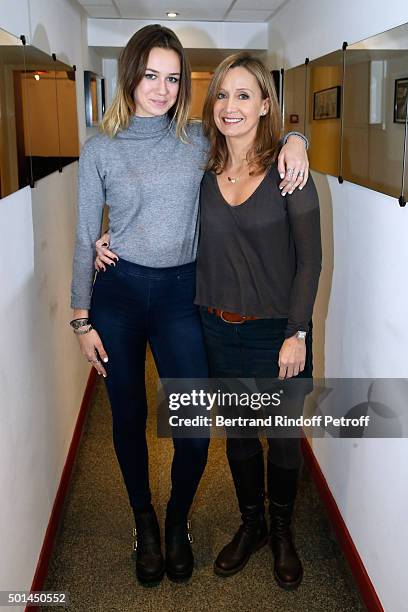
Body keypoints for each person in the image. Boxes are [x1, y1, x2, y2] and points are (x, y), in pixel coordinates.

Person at [73, 25, 309, 585]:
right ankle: (145, 525)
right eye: (151, 76)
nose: (161, 88)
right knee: (127, 417)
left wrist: (299, 140)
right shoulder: (99, 148)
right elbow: (85, 235)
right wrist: (80, 316)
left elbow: (254, 136)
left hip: (184, 295)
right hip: (120, 296)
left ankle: (177, 520)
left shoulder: (199, 137)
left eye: (173, 78)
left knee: (194, 425)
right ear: (130, 75)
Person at [194, 52, 322, 590]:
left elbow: (310, 260)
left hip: (277, 332)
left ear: (266, 103)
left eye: (244, 95)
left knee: (284, 439)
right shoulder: (199, 169)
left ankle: (283, 532)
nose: (231, 106)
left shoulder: (290, 170)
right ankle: (253, 528)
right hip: (219, 329)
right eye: (222, 94)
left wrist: (298, 333)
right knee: (241, 436)